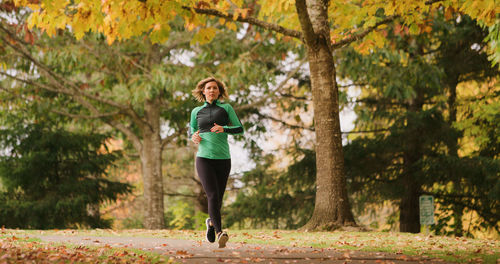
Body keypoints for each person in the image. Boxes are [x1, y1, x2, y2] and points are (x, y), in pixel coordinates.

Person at [189, 77, 244, 248]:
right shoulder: (196, 111)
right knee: (212, 195)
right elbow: (192, 131)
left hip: (223, 159)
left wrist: (224, 128)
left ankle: (211, 223)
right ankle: (221, 232)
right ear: (203, 91)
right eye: (208, 88)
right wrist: (194, 137)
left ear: (219, 91)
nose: (211, 90)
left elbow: (239, 128)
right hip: (204, 158)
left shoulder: (226, 108)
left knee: (218, 198)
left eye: (215, 88)